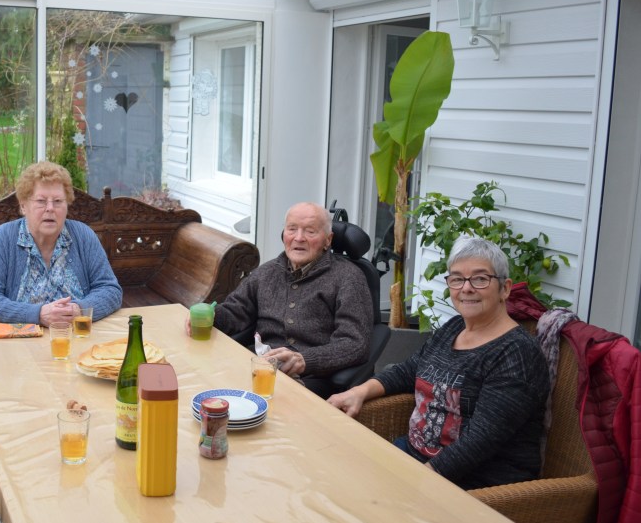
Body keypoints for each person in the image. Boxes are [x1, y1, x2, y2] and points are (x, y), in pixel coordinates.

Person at [328, 236, 550, 490]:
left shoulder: (515, 353)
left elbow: (480, 441)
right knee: (333, 474)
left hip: (472, 483)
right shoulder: (454, 327)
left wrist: (411, 483)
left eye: (480, 278)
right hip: (414, 456)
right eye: (457, 278)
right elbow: (410, 370)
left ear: (505, 288)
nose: (466, 288)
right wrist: (359, 391)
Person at [202, 202, 372, 397]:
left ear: (328, 240)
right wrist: (210, 315)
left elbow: (355, 343)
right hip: (259, 366)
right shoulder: (267, 272)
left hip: (312, 378)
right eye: (292, 229)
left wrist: (305, 360)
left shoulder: (349, 278)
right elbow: (236, 310)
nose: (299, 238)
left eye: (310, 232)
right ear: (284, 235)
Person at [0, 161, 122, 326]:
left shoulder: (83, 236)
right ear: (23, 206)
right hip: (20, 344)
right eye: (41, 201)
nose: (50, 208)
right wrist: (38, 314)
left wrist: (80, 310)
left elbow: (111, 290)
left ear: (67, 205)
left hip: (77, 338)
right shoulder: (1, 239)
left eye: (58, 201)